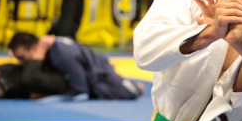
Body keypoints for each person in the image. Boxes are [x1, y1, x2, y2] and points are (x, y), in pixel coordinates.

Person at [9, 32, 144, 100]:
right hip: (94, 68)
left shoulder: (61, 54)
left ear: (34, 48)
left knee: (132, 92)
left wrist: (43, 96)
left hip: (101, 75)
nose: (21, 63)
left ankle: (136, 86)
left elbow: (80, 92)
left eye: (22, 58)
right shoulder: (53, 50)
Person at [0, 54, 67, 99]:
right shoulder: (28, 67)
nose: (20, 62)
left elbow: (29, 80)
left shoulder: (34, 74)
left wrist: (39, 53)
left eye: (21, 58)